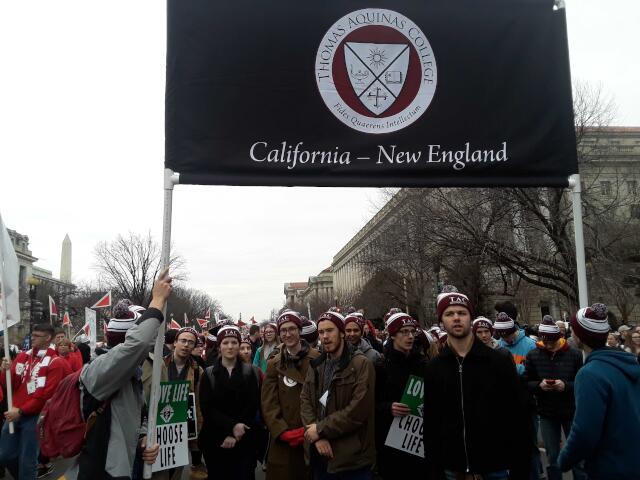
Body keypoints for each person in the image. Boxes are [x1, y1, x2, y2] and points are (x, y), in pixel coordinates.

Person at [62, 272, 170, 479]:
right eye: (151, 337)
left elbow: (138, 414)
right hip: (100, 470)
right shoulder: (101, 369)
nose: (152, 343)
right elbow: (138, 344)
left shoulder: (130, 375)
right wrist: (157, 301)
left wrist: (143, 437)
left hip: (125, 465)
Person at [423, 286, 530, 479]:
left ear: (470, 318)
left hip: (495, 467)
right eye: (449, 313)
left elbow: (517, 416)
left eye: (462, 313)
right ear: (441, 321)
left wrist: (519, 469)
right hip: (452, 469)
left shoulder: (499, 361)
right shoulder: (434, 368)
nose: (456, 317)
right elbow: (431, 424)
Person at [557, 303, 640, 478]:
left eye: (573, 330)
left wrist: (564, 460)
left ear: (580, 336)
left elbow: (585, 432)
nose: (571, 333)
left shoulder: (590, 374)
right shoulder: (630, 363)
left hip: (610, 467)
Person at [300, 310, 376, 480]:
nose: (325, 336)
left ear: (342, 332)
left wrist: (320, 429)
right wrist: (316, 437)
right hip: (321, 456)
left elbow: (357, 411)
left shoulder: (361, 364)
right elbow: (305, 401)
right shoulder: (317, 364)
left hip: (352, 460)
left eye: (330, 330)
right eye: (321, 332)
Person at [0, 324, 65, 480]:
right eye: (32, 335)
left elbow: (45, 397)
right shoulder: (23, 356)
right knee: (5, 455)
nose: (32, 338)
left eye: (37, 335)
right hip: (14, 412)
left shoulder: (56, 363)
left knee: (27, 461)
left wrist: (21, 411)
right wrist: (5, 371)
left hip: (35, 417)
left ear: (48, 338)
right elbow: (9, 384)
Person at [524, 316, 585, 480]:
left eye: (551, 340)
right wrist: (539, 386)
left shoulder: (574, 354)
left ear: (558, 337)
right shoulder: (533, 355)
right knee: (552, 455)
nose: (548, 344)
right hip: (546, 413)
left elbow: (581, 382)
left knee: (578, 454)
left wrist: (565, 386)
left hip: (571, 411)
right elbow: (526, 382)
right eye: (545, 341)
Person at [261, 311, 320, 480]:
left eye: (292, 328)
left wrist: (315, 427)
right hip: (284, 437)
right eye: (283, 330)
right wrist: (282, 431)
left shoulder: (317, 358)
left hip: (313, 432)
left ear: (300, 330)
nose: (288, 334)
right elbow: (268, 402)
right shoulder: (274, 363)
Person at [199, 325, 259, 480]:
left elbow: (252, 404)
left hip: (243, 439)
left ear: (239, 345)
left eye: (234, 342)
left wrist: (238, 430)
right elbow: (207, 408)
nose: (230, 346)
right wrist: (230, 428)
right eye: (225, 343)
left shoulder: (250, 371)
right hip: (215, 440)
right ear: (219, 346)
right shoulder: (208, 373)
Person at [375, 312, 428, 479]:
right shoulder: (380, 367)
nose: (410, 336)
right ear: (392, 335)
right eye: (404, 332)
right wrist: (388, 407)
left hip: (419, 442)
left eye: (412, 331)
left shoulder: (424, 364)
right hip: (390, 445)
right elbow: (371, 403)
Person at [165, 327, 205, 480]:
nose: (186, 345)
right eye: (183, 340)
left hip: (184, 423)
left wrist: (197, 432)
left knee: (176, 469)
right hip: (163, 421)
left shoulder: (197, 370)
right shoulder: (159, 364)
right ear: (175, 342)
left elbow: (199, 403)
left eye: (190, 342)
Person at [495, 311, 536, 375]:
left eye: (507, 336)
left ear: (514, 332)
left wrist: (509, 367)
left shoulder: (531, 345)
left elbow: (535, 370)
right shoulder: (498, 345)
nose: (505, 339)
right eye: (502, 336)